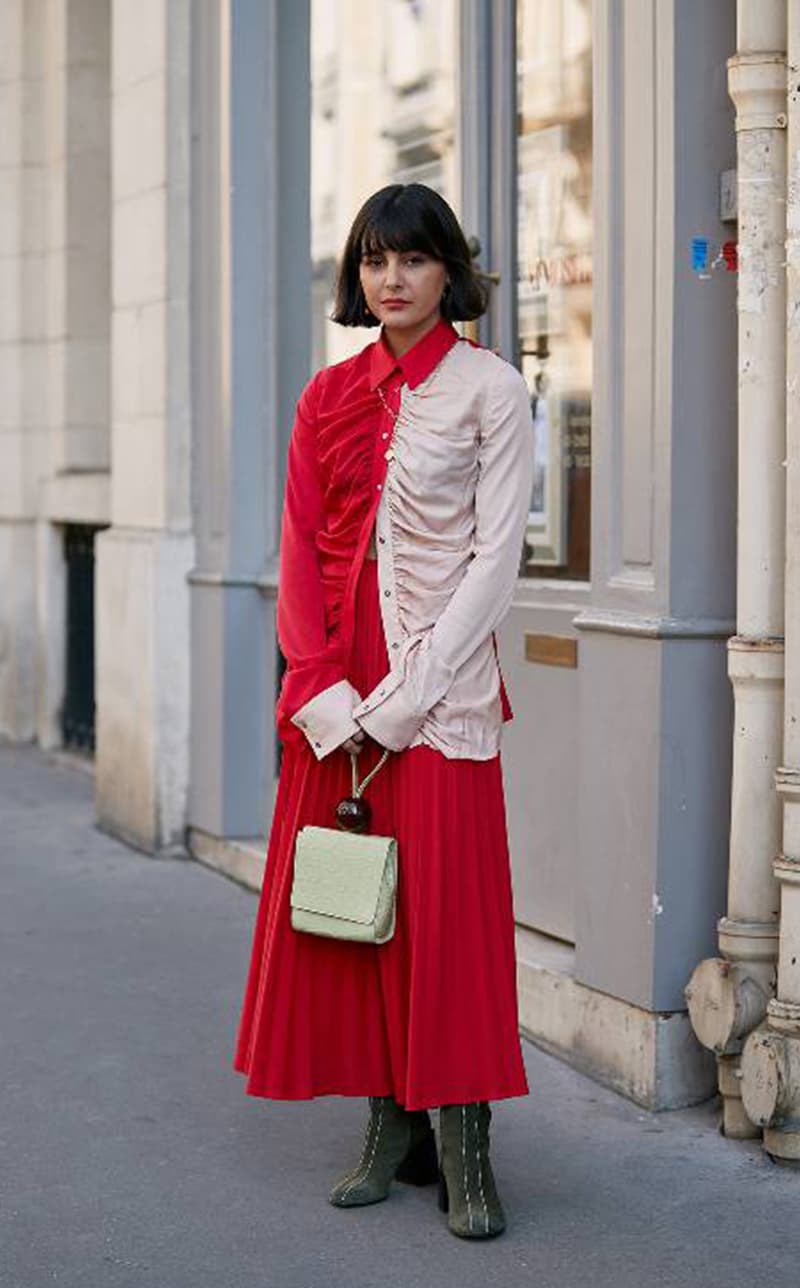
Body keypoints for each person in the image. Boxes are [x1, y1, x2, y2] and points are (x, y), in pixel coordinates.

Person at [234, 182, 534, 1240]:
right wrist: (317, 686)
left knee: (445, 917)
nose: (391, 279)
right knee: (358, 912)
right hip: (337, 681)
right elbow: (301, 548)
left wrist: (407, 696)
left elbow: (495, 561)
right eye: (372, 261)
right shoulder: (325, 396)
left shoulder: (490, 389)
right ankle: (389, 1124)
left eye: (410, 259)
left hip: (437, 688)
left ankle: (465, 1141)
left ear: (449, 268)